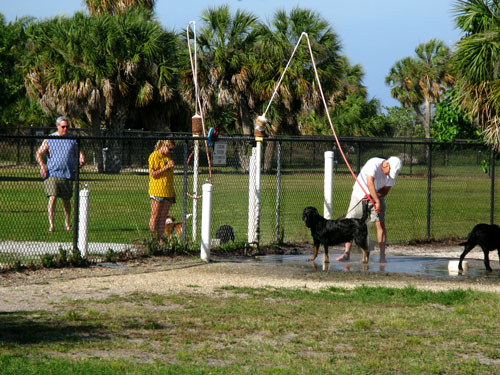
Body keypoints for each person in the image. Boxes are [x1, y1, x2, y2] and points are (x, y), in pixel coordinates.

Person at [336, 156, 402, 263]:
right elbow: (370, 183)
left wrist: (374, 198)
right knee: (350, 224)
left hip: (376, 197)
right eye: (389, 172)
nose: (389, 175)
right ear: (386, 165)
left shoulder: (392, 173)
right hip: (360, 195)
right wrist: (377, 200)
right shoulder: (373, 163)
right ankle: (346, 253)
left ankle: (382, 257)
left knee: (380, 225)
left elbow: (385, 191)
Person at [36, 116, 85, 232]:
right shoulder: (50, 139)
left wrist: (81, 161)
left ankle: (67, 224)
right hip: (52, 173)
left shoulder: (73, 139)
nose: (65, 129)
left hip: (67, 174)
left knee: (66, 200)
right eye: (63, 127)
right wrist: (43, 166)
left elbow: (81, 154)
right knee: (52, 197)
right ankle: (51, 225)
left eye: (67, 127)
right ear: (58, 126)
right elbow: (39, 153)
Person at [148, 139, 176, 244]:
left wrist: (172, 191)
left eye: (172, 150)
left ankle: (160, 238)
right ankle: (152, 238)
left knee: (163, 216)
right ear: (163, 145)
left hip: (168, 191)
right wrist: (166, 167)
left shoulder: (167, 157)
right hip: (157, 191)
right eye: (170, 149)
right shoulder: (154, 156)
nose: (170, 152)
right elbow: (153, 174)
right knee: (155, 215)